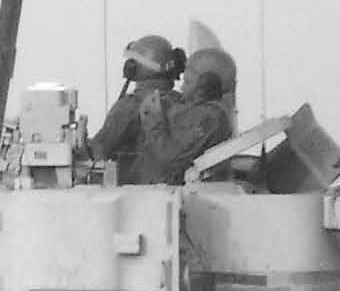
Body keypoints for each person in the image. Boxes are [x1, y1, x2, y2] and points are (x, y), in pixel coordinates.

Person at [127, 46, 236, 186]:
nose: (183, 88)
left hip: (165, 195)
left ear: (206, 85)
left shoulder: (209, 117)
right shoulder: (204, 111)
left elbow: (171, 159)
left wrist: (153, 121)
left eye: (188, 82)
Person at [86, 34, 183, 181]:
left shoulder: (130, 106)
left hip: (138, 190)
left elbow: (100, 150)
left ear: (134, 68)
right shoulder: (182, 102)